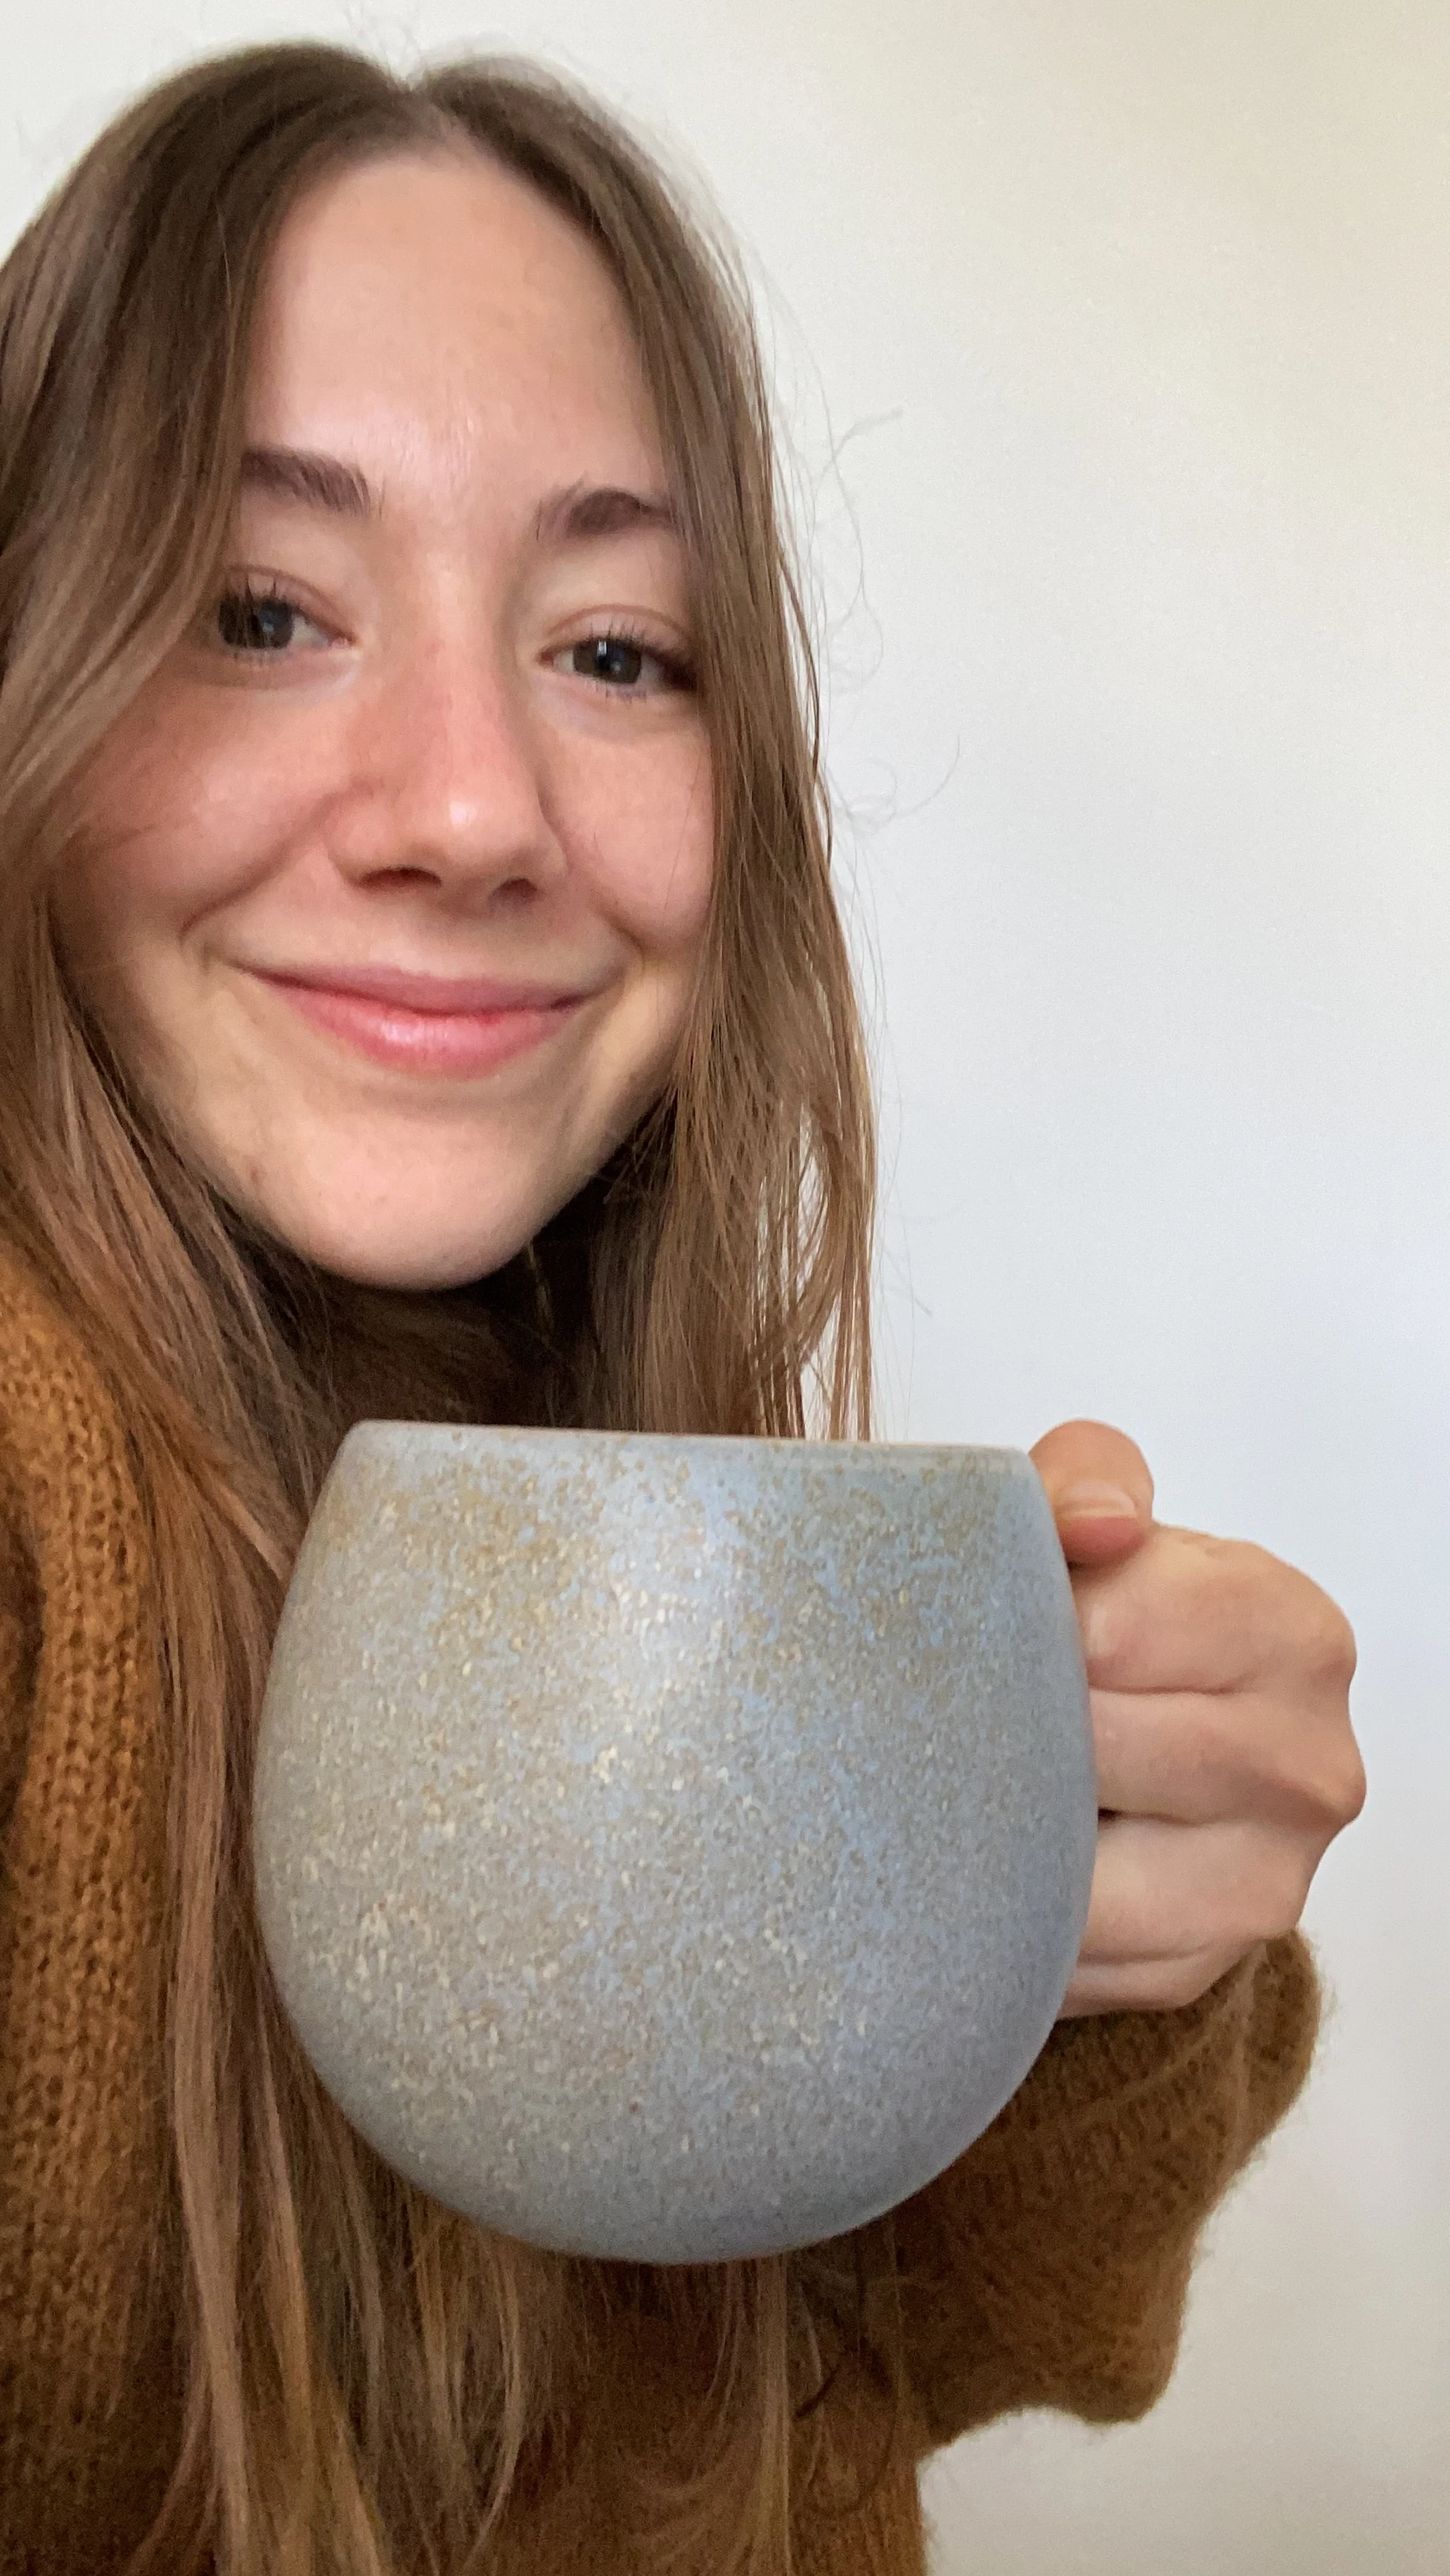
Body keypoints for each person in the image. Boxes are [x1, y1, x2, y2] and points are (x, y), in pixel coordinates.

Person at [0, 41, 1364, 2576]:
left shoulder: (621, 1457)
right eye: (254, 608)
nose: (473, 811)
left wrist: (1079, 1965)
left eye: (621, 650)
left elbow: (932, 2355)